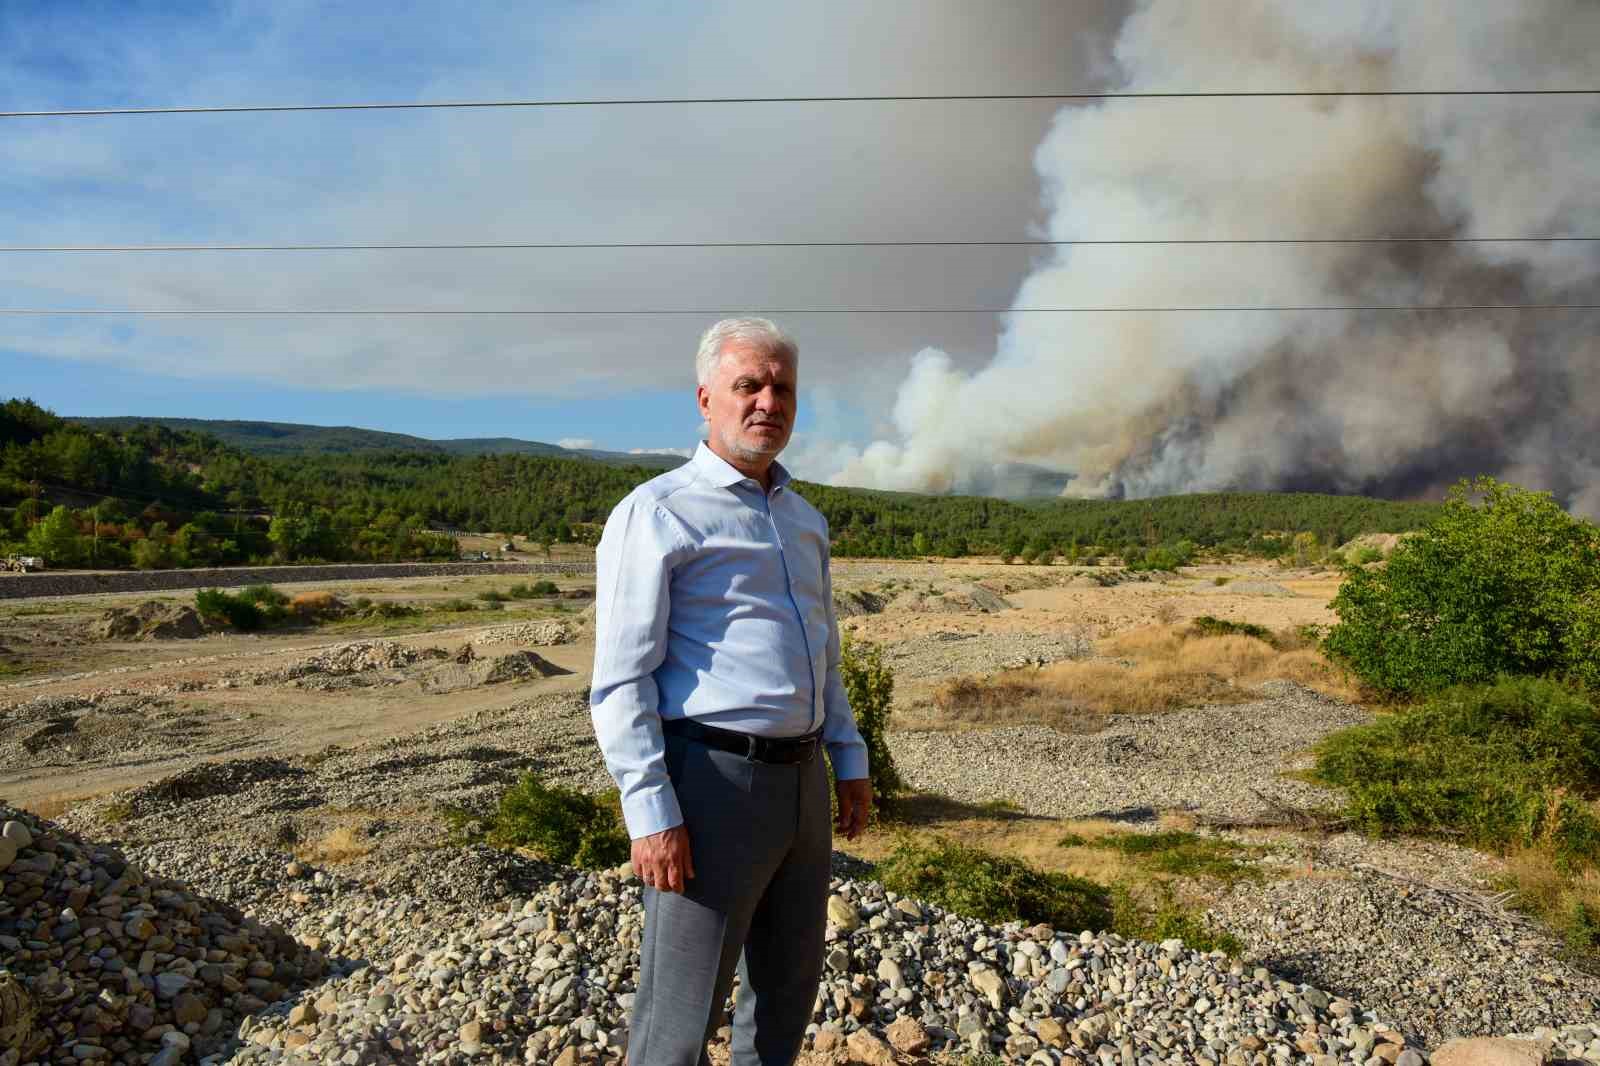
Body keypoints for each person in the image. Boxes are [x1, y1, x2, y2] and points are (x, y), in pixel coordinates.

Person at [590, 317, 873, 1066]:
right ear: (706, 398)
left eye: (783, 388)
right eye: (748, 385)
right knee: (678, 1021)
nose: (768, 402)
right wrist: (651, 812)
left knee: (785, 999)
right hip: (711, 784)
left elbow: (823, 654)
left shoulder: (804, 520)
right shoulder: (658, 512)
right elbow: (620, 680)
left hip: (803, 783)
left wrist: (848, 758)